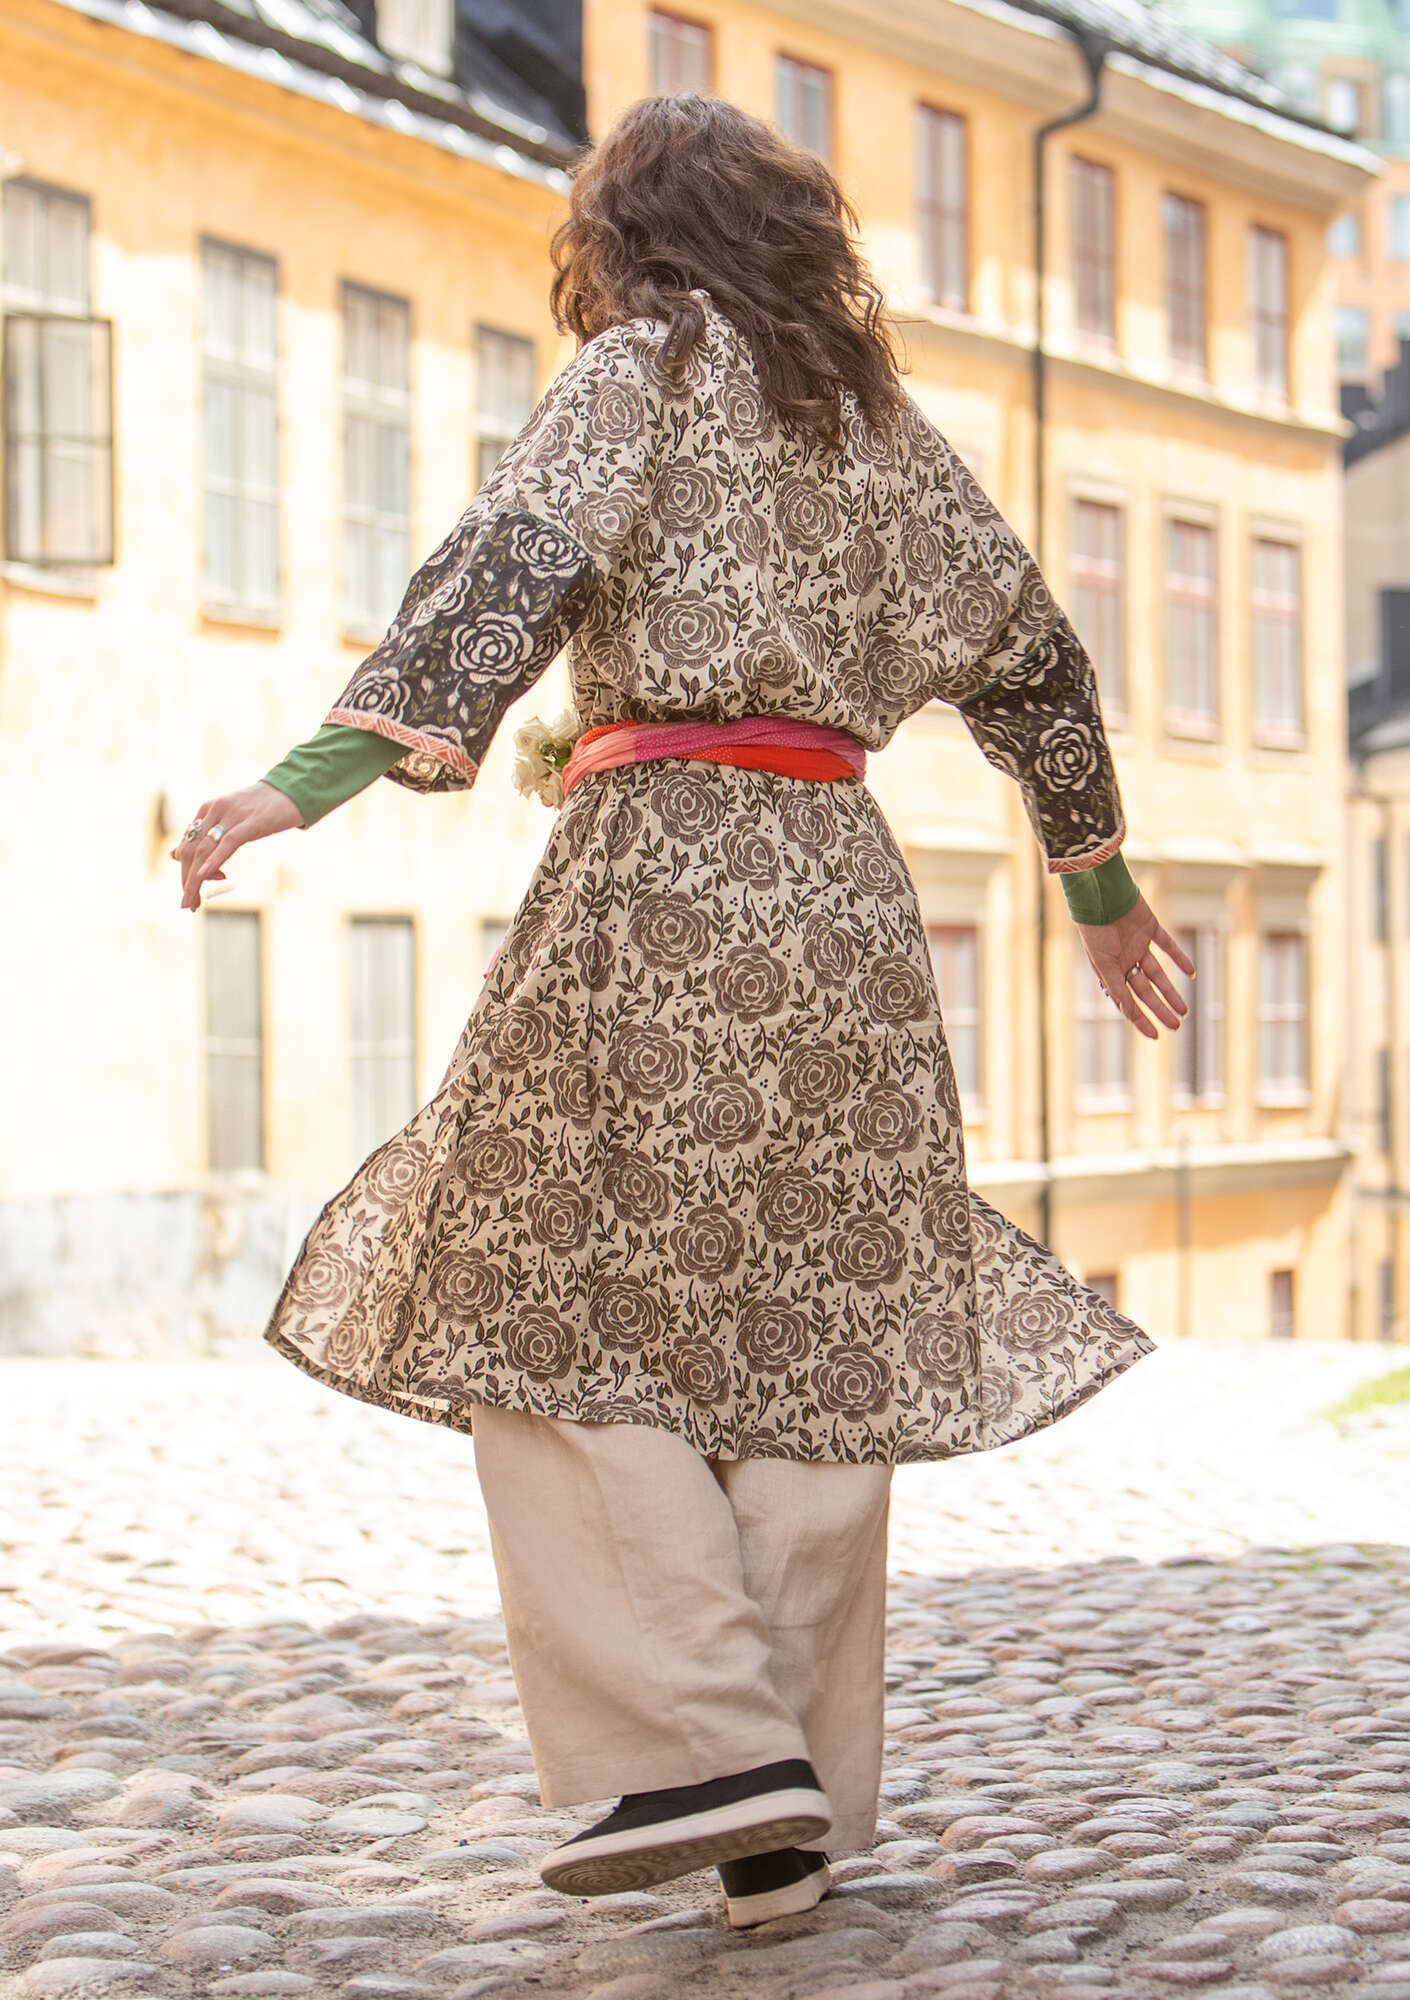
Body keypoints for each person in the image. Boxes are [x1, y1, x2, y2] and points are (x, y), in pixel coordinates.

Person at [172, 94, 1193, 1928]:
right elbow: (1036, 662)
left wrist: (304, 778)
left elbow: (510, 569)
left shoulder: (635, 372)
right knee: (821, 1319)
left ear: (622, 238)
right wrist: (1098, 892)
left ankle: (703, 1747)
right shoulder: (875, 426)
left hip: (659, 879)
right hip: (845, 903)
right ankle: (782, 1799)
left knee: (531, 1281)